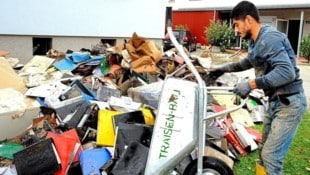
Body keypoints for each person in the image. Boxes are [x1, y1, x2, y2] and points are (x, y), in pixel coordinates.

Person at [208, 1, 307, 174]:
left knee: (271, 156)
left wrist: (251, 83)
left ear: (248, 20)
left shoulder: (269, 37)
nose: (236, 30)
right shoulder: (256, 41)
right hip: (276, 102)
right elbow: (248, 62)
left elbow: (286, 72)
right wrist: (220, 70)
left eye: (237, 25)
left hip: (290, 104)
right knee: (263, 152)